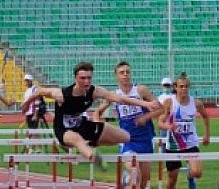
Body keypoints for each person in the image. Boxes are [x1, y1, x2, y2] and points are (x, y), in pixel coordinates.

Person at [22, 61, 162, 168]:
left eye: (89, 78)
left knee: (125, 137)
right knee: (76, 139)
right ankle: (92, 156)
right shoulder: (61, 94)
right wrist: (27, 102)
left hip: (82, 125)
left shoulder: (94, 91)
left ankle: (93, 144)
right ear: (76, 78)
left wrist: (146, 104)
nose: (86, 81)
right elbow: (40, 91)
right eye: (83, 78)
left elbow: (119, 98)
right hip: (63, 130)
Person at [93, 62, 163, 189]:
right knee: (135, 174)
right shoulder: (114, 95)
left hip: (145, 140)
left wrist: (145, 118)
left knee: (144, 181)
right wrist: (98, 127)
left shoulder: (140, 91)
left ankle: (128, 178)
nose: (125, 74)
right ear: (116, 76)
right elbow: (96, 112)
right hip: (127, 141)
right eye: (121, 72)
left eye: (127, 72)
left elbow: (160, 108)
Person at [158, 73, 211, 189]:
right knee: (172, 179)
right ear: (175, 87)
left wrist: (207, 135)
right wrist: (168, 126)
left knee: (198, 172)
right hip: (174, 145)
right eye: (181, 86)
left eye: (186, 86)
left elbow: (206, 116)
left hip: (190, 144)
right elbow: (160, 121)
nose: (184, 89)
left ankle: (190, 175)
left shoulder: (196, 103)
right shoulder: (169, 102)